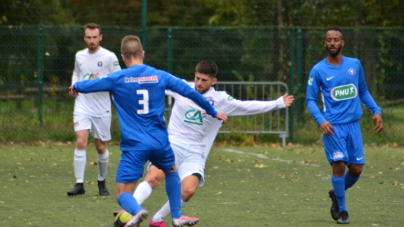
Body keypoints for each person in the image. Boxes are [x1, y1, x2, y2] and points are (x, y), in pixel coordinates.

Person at [70, 35, 228, 227]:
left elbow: (90, 85)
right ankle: (176, 216)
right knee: (171, 170)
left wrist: (76, 87)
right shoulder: (159, 75)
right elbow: (191, 94)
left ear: (123, 57)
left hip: (135, 145)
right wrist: (212, 111)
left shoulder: (117, 78)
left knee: (122, 195)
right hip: (160, 142)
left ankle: (137, 210)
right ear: (142, 54)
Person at [131, 61, 294, 227]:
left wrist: (277, 103)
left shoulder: (221, 99)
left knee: (188, 190)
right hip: (173, 144)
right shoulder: (182, 87)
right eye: (197, 78)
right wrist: (132, 77)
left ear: (213, 81)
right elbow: (156, 79)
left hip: (196, 151)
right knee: (154, 176)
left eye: (204, 80)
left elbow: (247, 106)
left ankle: (157, 220)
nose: (199, 83)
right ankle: (129, 212)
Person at [305, 27, 383, 224]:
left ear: (342, 43)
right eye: (329, 40)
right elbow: (310, 99)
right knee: (339, 166)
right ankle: (343, 210)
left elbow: (363, 91)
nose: (332, 43)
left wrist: (376, 110)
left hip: (353, 126)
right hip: (333, 127)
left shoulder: (354, 65)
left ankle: (336, 193)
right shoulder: (318, 70)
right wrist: (321, 120)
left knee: (356, 170)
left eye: (336, 40)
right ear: (325, 43)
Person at [67, 23, 121, 197]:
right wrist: (74, 85)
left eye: (94, 37)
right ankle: (79, 184)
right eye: (88, 37)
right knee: (81, 142)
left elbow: (118, 78)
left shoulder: (109, 57)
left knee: (100, 147)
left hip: (102, 107)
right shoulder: (79, 56)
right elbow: (77, 73)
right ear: (84, 38)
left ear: (100, 37)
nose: (91, 41)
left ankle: (101, 181)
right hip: (82, 105)